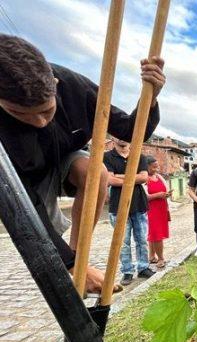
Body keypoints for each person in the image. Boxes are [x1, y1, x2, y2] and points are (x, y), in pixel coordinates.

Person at [0, 34, 165, 294]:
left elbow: (131, 131)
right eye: (22, 114)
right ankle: (72, 266)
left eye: (47, 110)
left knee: (95, 172)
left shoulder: (76, 88)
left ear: (55, 84)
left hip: (65, 159)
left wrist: (150, 97)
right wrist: (65, 262)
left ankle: (79, 259)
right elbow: (25, 207)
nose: (40, 122)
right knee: (35, 238)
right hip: (20, 178)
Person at [104, 139, 155, 285]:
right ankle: (127, 271)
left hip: (139, 204)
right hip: (118, 206)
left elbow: (144, 177)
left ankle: (143, 267)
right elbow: (109, 180)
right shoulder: (107, 157)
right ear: (114, 138)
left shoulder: (139, 156)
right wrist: (134, 177)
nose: (122, 138)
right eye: (119, 136)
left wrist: (119, 176)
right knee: (122, 242)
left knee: (142, 239)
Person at [145, 156, 171, 269]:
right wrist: (158, 195)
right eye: (153, 167)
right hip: (151, 210)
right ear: (146, 166)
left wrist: (167, 194)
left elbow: (165, 189)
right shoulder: (144, 179)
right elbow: (144, 197)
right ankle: (161, 258)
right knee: (156, 234)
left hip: (162, 208)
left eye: (157, 167)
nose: (156, 169)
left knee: (154, 234)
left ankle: (151, 256)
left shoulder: (159, 177)